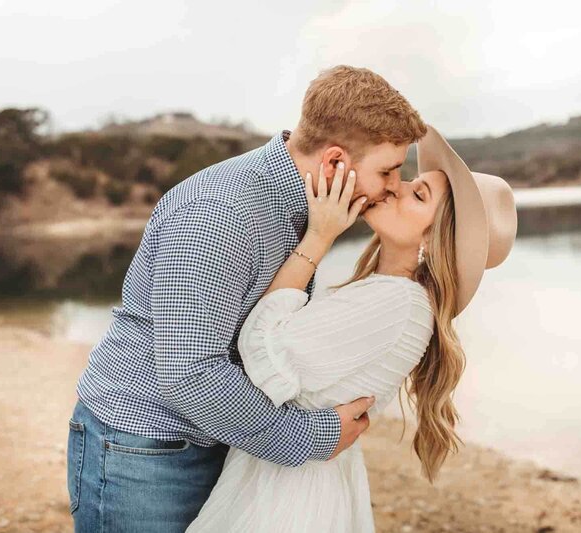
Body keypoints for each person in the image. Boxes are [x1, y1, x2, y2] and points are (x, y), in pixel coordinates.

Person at [66, 65, 427, 533]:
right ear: (335, 162)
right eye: (387, 171)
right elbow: (190, 375)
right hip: (148, 447)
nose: (393, 186)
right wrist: (311, 436)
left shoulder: (310, 210)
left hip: (217, 435)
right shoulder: (223, 213)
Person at [186, 124, 517, 532]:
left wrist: (319, 237)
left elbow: (259, 355)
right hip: (290, 479)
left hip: (289, 501)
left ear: (433, 239)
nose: (396, 187)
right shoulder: (392, 295)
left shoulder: (398, 303)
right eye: (408, 179)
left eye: (418, 195)